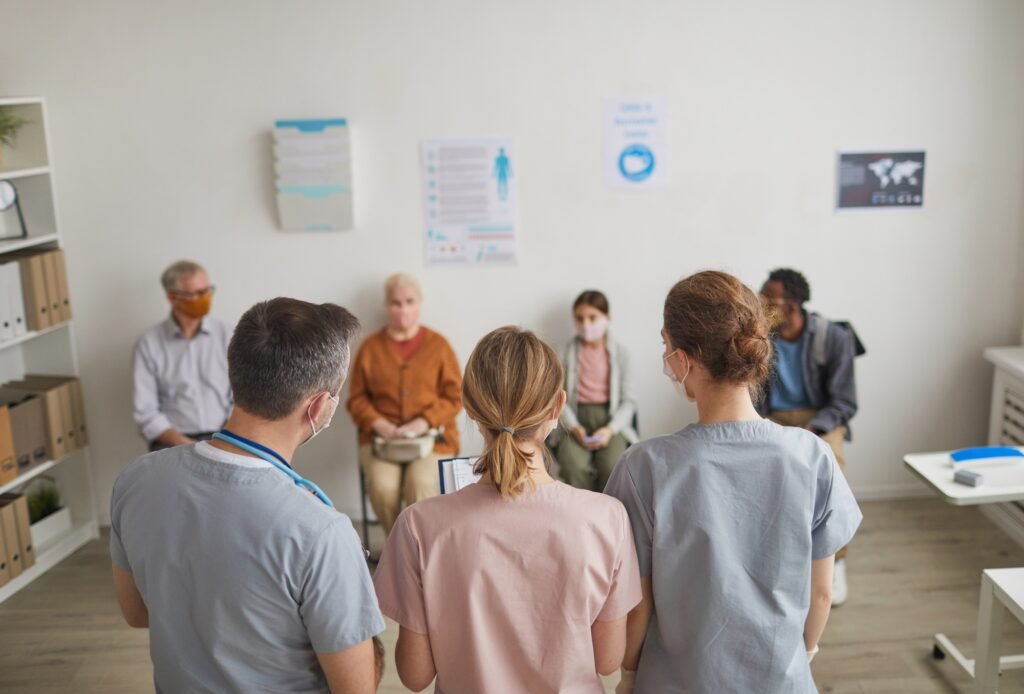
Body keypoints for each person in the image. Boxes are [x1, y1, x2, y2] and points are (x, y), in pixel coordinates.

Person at [604, 271, 862, 693]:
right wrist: (804, 656)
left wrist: (629, 676)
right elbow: (821, 594)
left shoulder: (643, 467)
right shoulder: (813, 456)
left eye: (666, 347)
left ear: (683, 359)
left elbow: (638, 606)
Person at [111, 298, 385, 693]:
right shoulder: (321, 531)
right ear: (320, 406)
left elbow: (136, 613)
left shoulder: (135, 480)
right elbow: (357, 688)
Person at [374, 327, 642, 692]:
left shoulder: (419, 525)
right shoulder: (606, 518)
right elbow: (608, 661)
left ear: (470, 408)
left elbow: (415, 676)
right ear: (558, 407)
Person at [758, 268, 858, 605]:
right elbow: (752, 394)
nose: (763, 303)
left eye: (770, 299)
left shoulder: (833, 337)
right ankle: (777, 561)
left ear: (793, 303)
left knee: (832, 474)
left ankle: (835, 561)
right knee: (759, 474)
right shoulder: (760, 336)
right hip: (774, 418)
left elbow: (844, 401)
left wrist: (812, 429)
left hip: (820, 417)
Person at [346, 273, 462, 535]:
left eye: (409, 301)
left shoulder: (439, 346)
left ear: (419, 303)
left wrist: (425, 421)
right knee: (382, 487)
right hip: (380, 440)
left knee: (420, 484)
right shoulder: (370, 348)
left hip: (433, 438)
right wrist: (379, 423)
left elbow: (456, 396)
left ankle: (421, 546)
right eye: (396, 303)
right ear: (386, 306)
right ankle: (398, 541)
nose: (403, 309)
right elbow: (356, 398)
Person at [132, 260, 233, 451]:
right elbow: (145, 412)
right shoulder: (149, 344)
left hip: (225, 437)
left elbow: (242, 398)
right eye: (197, 293)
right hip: (172, 442)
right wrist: (187, 446)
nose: (206, 298)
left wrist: (226, 439)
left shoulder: (228, 336)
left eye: (208, 290)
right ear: (172, 297)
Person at [556, 290, 638, 491]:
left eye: (593, 318)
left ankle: (606, 514)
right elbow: (557, 395)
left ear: (607, 318)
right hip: (573, 418)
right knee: (572, 465)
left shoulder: (621, 353)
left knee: (613, 466)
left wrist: (611, 429)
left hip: (611, 420)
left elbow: (629, 401)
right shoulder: (563, 352)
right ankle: (582, 516)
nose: (586, 325)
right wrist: (574, 427)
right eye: (580, 318)